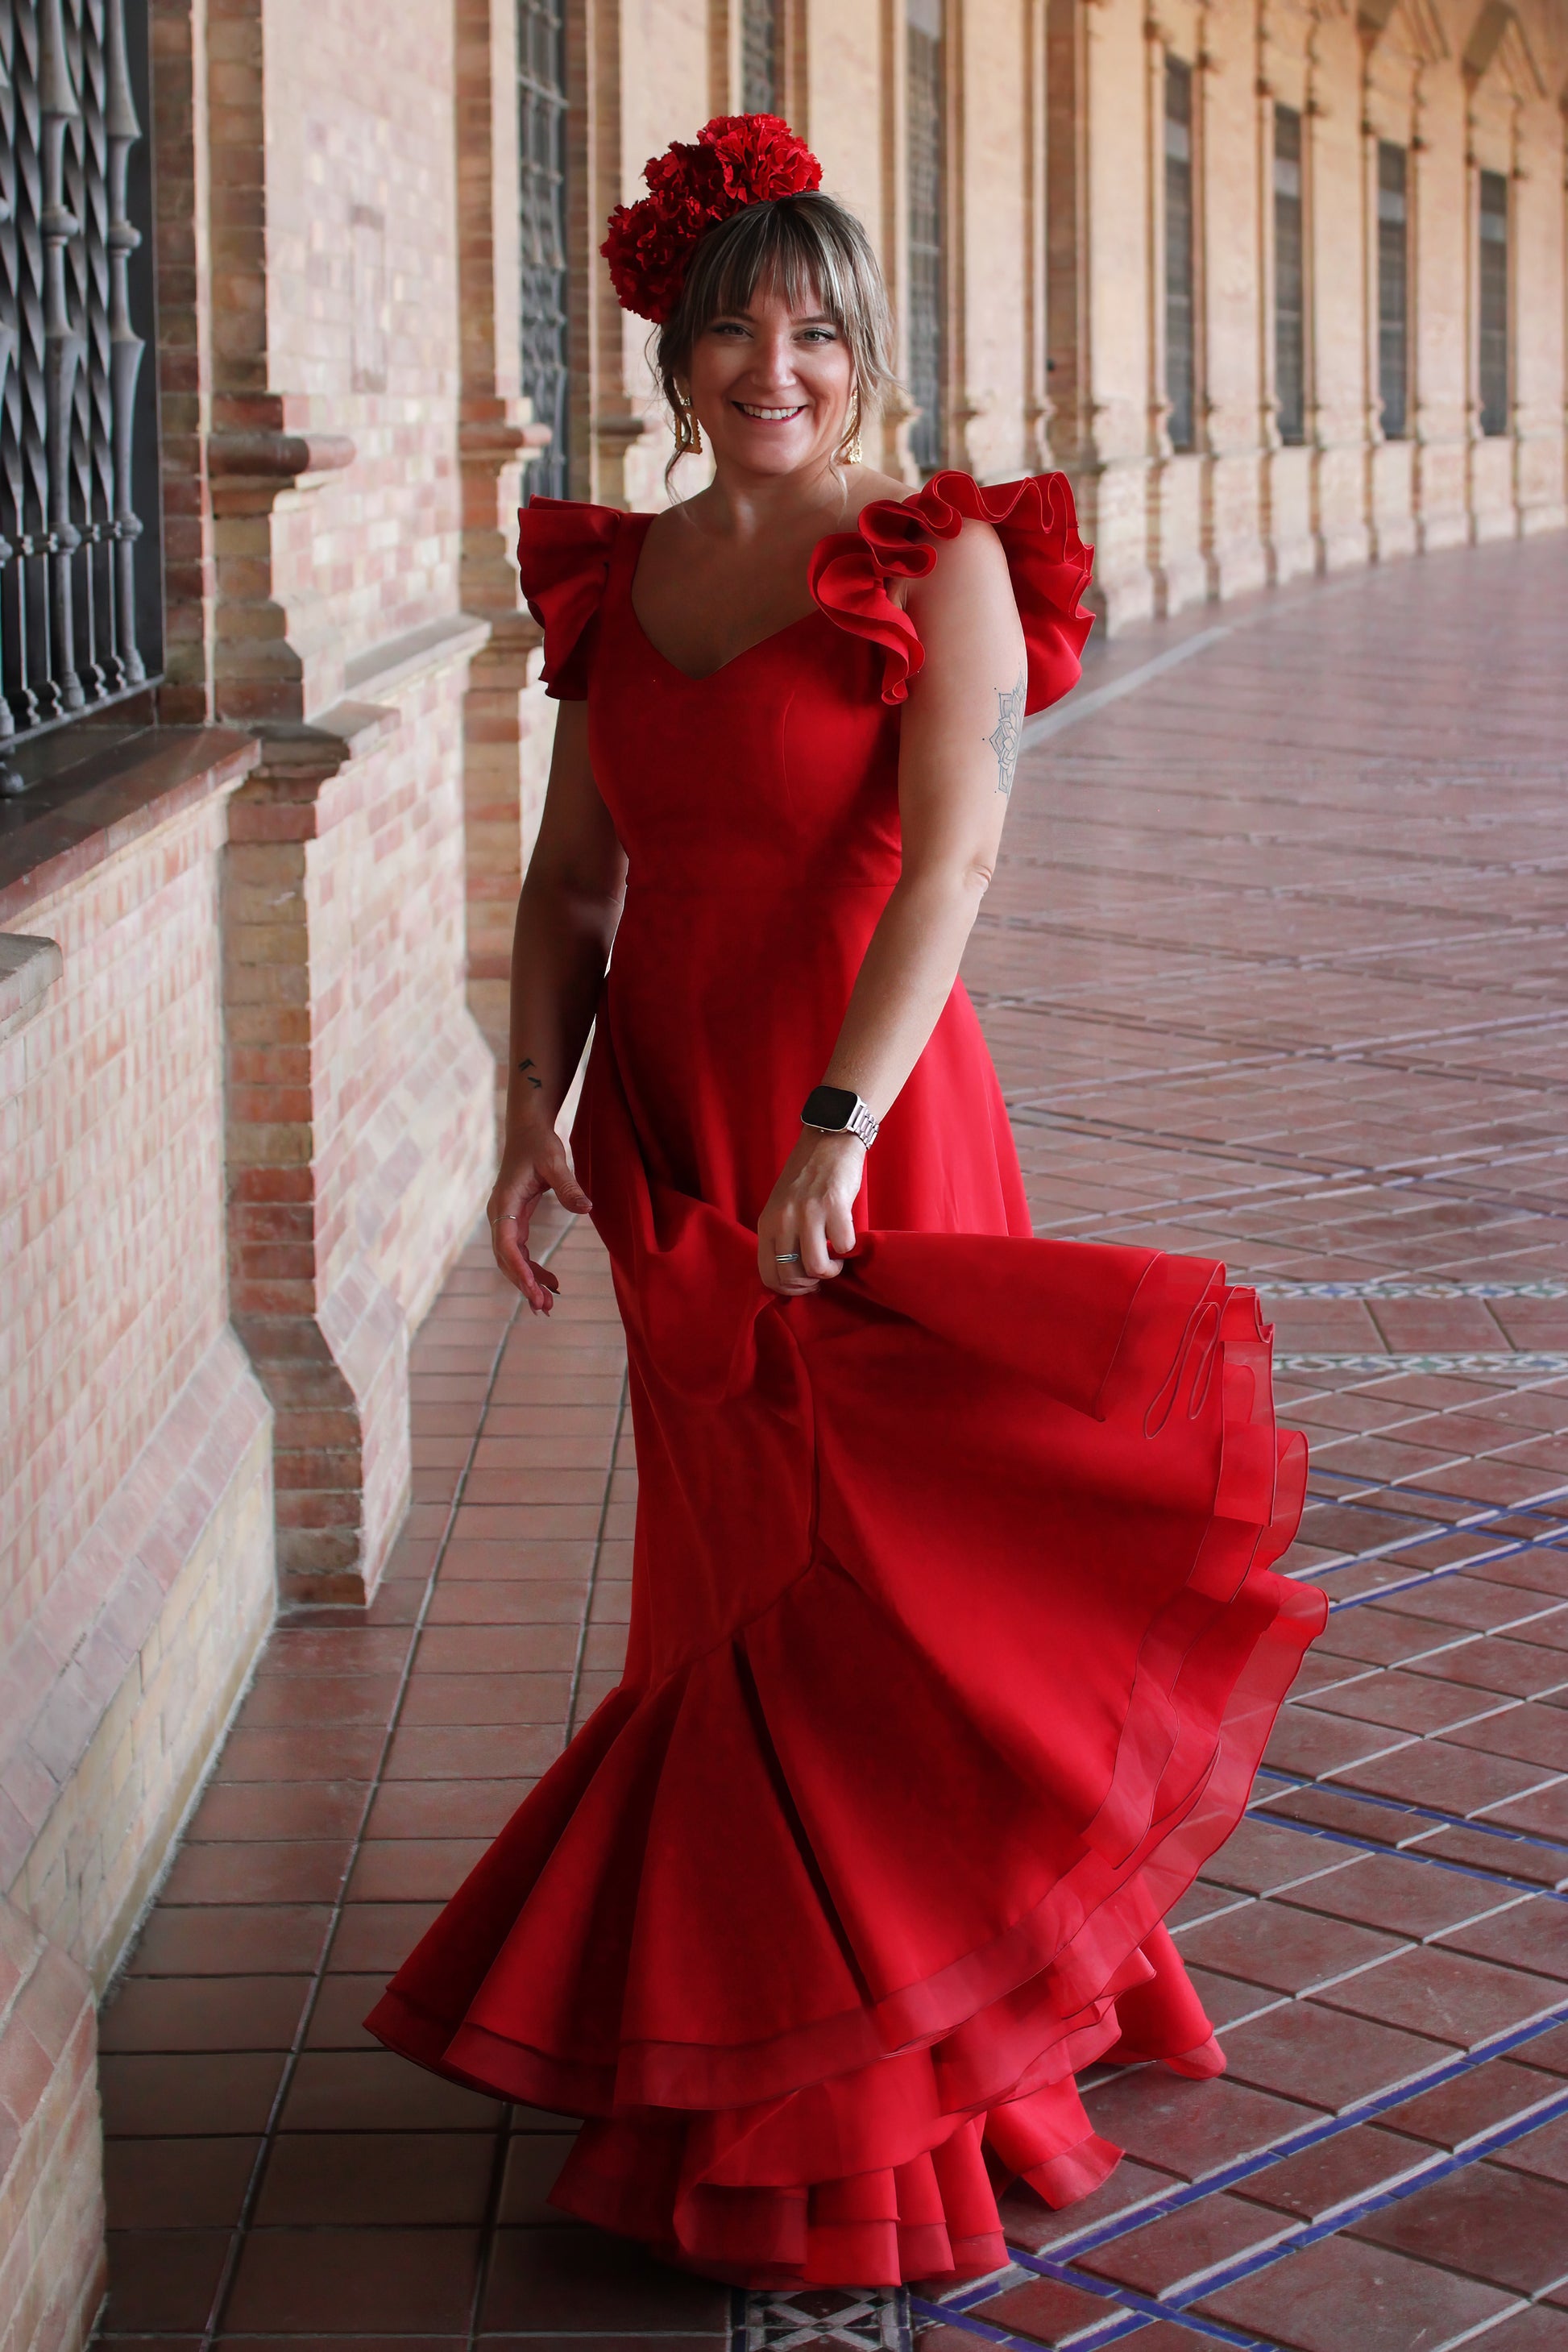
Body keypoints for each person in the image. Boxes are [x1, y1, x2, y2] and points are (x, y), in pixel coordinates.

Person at [367, 113, 1325, 2292]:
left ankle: (902, 2081)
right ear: (672, 353)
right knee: (731, 1594)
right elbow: (568, 885)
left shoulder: (933, 554)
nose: (769, 366)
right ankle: (754, 2028)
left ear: (863, 346)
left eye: (810, 327)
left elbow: (956, 854)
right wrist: (531, 1114)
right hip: (672, 1139)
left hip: (862, 1117)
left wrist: (832, 1127)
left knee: (884, 1578)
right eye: (730, 331)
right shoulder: (617, 580)